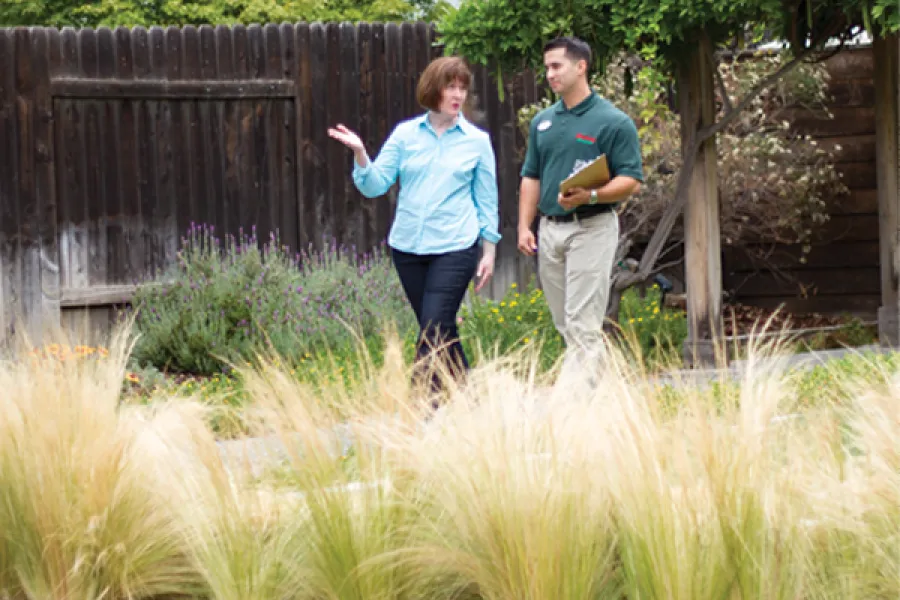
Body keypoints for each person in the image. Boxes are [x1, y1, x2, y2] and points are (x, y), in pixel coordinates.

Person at [328, 56, 501, 395]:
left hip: (455, 247)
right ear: (432, 89)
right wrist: (361, 154)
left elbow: (487, 199)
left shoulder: (476, 141)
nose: (458, 95)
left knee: (434, 328)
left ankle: (421, 409)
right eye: (450, 86)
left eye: (462, 88)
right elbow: (374, 185)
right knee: (439, 329)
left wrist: (490, 250)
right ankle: (472, 403)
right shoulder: (405, 135)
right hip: (407, 249)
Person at [517, 36, 644, 375]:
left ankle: (577, 412)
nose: (549, 74)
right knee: (565, 325)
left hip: (592, 227)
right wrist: (523, 226)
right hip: (549, 231)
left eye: (556, 66)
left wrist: (591, 195)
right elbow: (531, 176)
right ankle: (603, 397)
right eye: (546, 68)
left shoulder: (614, 122)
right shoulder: (542, 121)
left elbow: (631, 179)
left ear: (581, 66)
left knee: (583, 325)